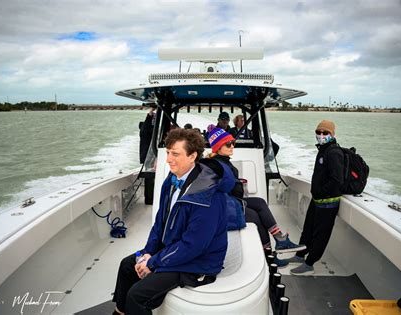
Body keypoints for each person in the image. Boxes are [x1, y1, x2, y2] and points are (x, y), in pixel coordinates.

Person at [112, 128, 235, 315]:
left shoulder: (207, 195)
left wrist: (153, 263)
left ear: (193, 156)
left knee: (137, 296)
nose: (169, 159)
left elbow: (194, 246)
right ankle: (120, 312)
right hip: (174, 249)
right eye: (168, 152)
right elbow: (160, 222)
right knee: (127, 266)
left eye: (175, 154)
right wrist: (148, 252)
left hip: (198, 262)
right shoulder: (171, 180)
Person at [205, 126, 306, 267]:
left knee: (259, 202)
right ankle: (270, 255)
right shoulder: (217, 165)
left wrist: (237, 185)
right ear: (218, 147)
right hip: (223, 208)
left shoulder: (222, 161)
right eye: (228, 144)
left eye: (233, 142)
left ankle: (280, 240)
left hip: (230, 202)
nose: (232, 146)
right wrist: (238, 186)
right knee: (256, 217)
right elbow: (221, 189)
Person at [286, 120, 344, 275]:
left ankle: (309, 263)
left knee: (320, 234)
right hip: (317, 200)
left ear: (332, 134)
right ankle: (300, 255)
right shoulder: (323, 150)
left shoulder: (334, 152)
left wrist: (321, 192)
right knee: (308, 230)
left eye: (325, 133)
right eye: (318, 132)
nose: (321, 135)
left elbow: (337, 181)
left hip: (328, 202)